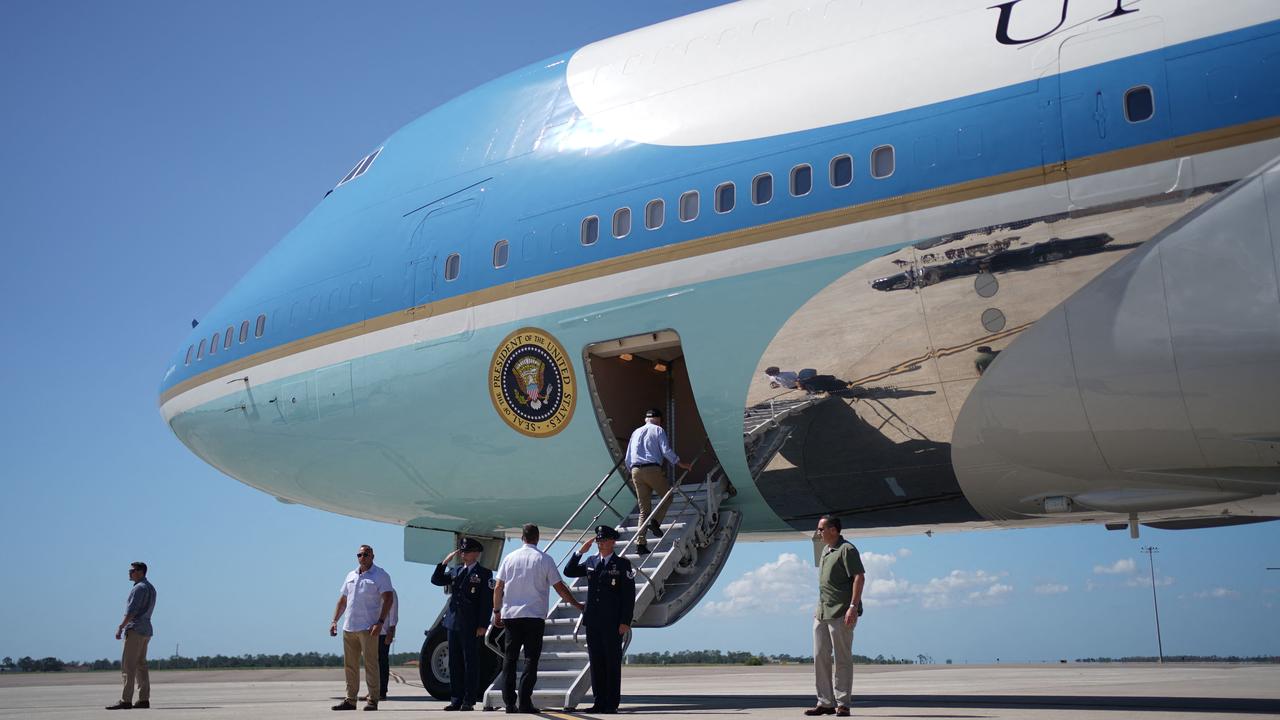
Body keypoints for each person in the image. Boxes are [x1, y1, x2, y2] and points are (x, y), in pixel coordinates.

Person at [492, 524, 584, 713]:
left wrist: (496, 611)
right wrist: (576, 604)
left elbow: (498, 587)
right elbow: (559, 587)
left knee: (509, 659)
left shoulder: (509, 559)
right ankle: (525, 702)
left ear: (522, 538)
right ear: (537, 538)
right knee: (530, 660)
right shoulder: (544, 559)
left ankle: (509, 702)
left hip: (511, 616)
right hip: (534, 616)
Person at [564, 526, 635, 714]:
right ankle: (599, 701)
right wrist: (580, 551)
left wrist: (625, 621)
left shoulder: (622, 565)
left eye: (604, 541)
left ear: (613, 542)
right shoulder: (591, 561)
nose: (600, 544)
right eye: (598, 541)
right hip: (593, 620)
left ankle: (611, 703)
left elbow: (628, 596)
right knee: (596, 663)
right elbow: (568, 571)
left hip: (613, 622)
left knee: (612, 662)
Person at [805, 516, 865, 718]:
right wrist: (818, 608)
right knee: (820, 657)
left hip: (841, 612)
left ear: (833, 530)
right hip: (822, 613)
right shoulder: (825, 551)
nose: (818, 533)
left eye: (820, 529)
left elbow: (859, 577)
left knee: (842, 659)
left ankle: (843, 703)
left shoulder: (847, 549)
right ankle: (825, 702)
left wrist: (853, 607)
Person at [430, 537, 493, 711]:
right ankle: (456, 699)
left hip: (471, 625)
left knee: (469, 662)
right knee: (454, 662)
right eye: (462, 551)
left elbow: (486, 602)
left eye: (466, 552)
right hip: (453, 623)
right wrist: (444, 563)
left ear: (476, 554)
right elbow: (436, 580)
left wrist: (482, 624)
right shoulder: (456, 570)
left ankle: (468, 699)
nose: (463, 554)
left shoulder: (484, 574)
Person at [330, 544, 394, 711]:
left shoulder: (380, 575)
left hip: (368, 627)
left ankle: (373, 699)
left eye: (366, 554)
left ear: (373, 556)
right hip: (349, 627)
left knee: (371, 664)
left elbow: (388, 599)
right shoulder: (351, 575)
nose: (362, 557)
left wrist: (380, 623)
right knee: (350, 666)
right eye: (359, 555)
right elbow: (343, 601)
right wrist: (334, 621)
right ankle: (350, 700)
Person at [623, 409, 690, 555]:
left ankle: (640, 543)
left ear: (646, 419)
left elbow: (628, 457)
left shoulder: (636, 432)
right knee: (667, 497)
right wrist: (680, 463)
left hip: (635, 471)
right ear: (658, 419)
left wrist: (632, 472)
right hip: (651, 469)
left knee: (643, 510)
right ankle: (655, 522)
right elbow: (665, 451)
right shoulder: (658, 430)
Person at [106, 562, 156, 710]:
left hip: (135, 629)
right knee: (141, 665)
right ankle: (143, 699)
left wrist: (121, 627)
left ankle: (126, 700)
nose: (130, 573)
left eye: (132, 570)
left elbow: (132, 611)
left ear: (140, 572)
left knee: (128, 666)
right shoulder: (151, 588)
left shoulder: (139, 588)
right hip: (146, 629)